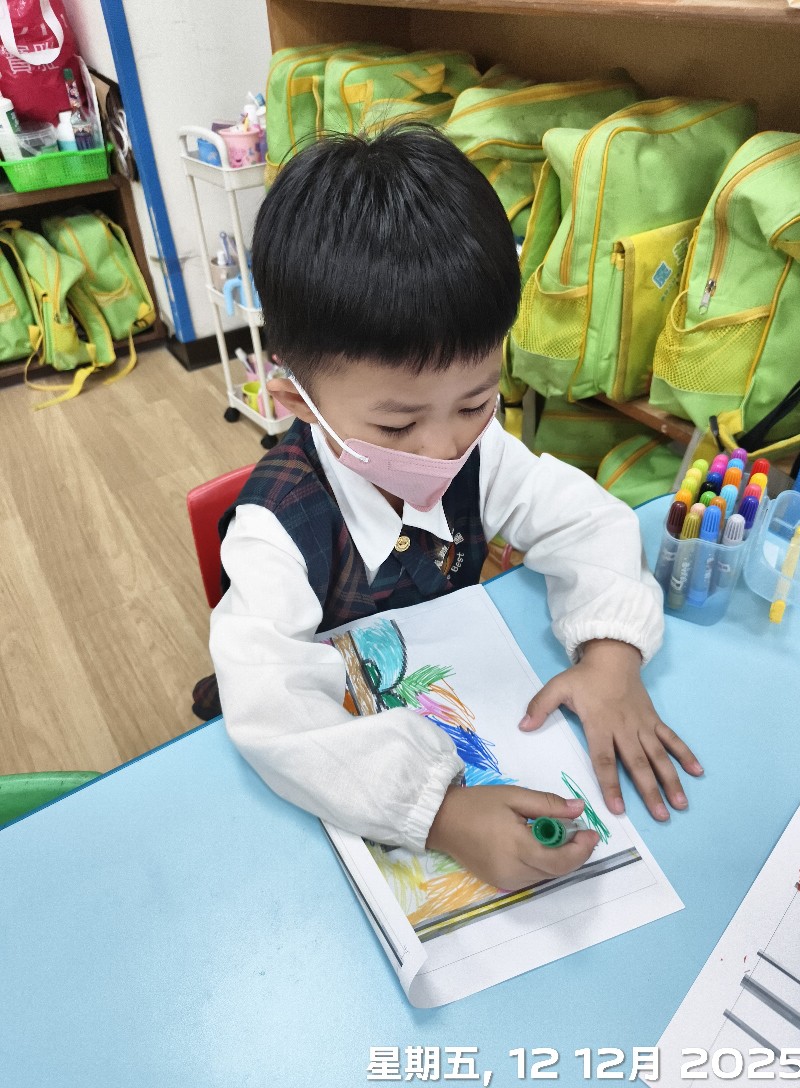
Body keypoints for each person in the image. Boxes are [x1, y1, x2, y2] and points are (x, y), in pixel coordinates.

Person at [209, 124, 702, 892]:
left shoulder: (480, 454)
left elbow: (587, 519)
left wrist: (611, 654)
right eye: (397, 425)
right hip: (339, 778)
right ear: (296, 402)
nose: (444, 448)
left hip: (468, 691)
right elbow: (269, 706)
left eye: (475, 402)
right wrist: (434, 811)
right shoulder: (276, 530)